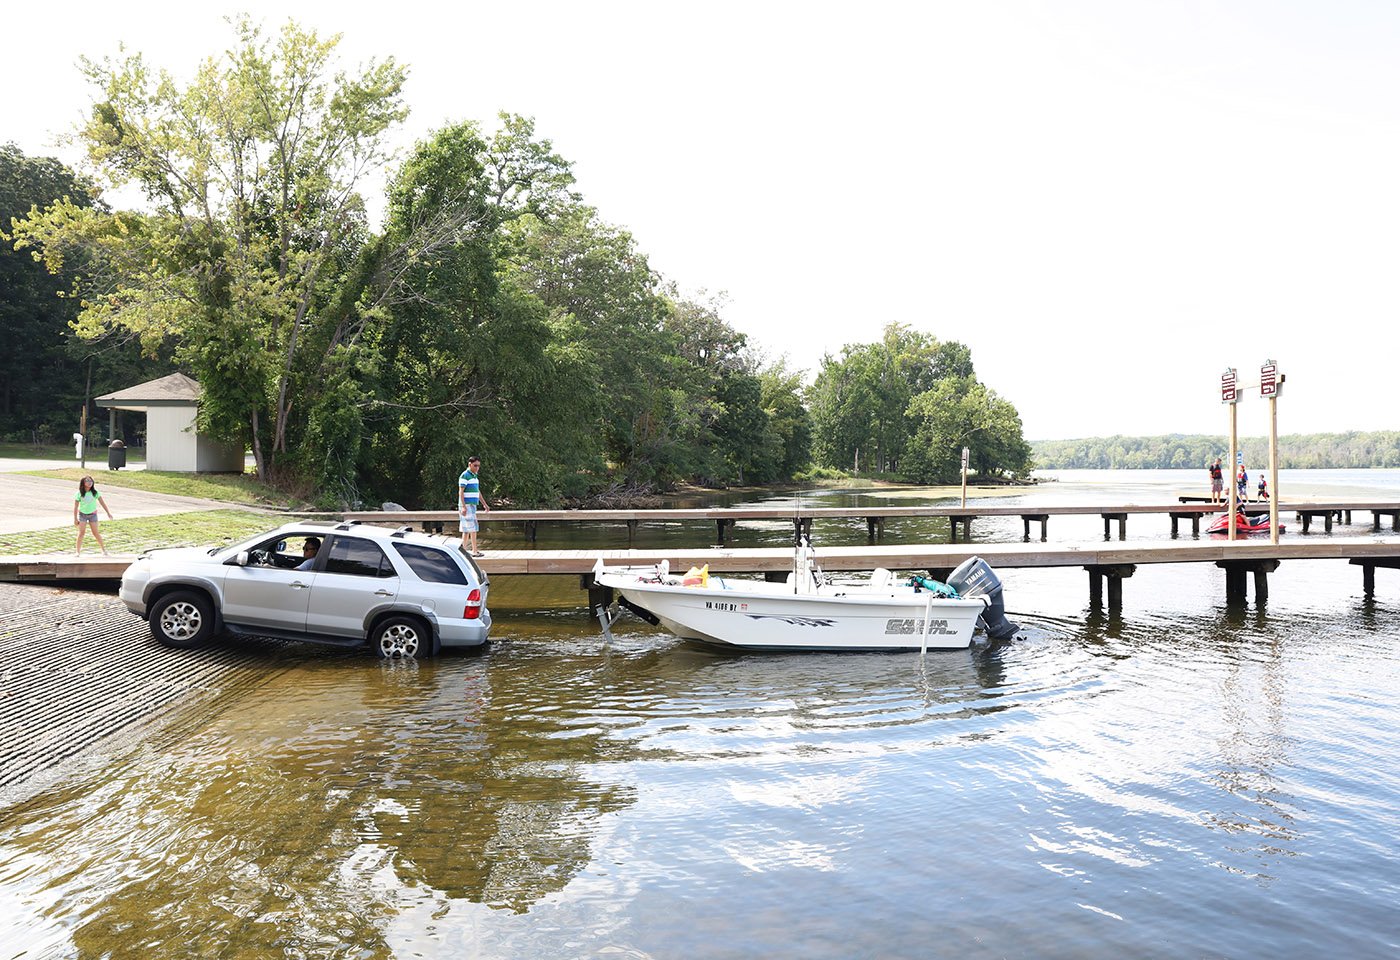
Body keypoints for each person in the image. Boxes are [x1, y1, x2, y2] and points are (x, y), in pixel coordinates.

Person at [73, 475, 114, 555]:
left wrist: (108, 513)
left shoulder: (95, 493)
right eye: (87, 481)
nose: (90, 482)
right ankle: (77, 552)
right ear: (83, 483)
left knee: (95, 533)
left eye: (91, 481)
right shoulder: (79, 493)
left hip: (93, 515)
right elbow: (75, 506)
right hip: (82, 515)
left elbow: (102, 503)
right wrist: (75, 518)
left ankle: (103, 550)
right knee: (81, 533)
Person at [458, 455, 490, 557]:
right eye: (475, 465)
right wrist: (463, 506)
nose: (477, 468)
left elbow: (477, 491)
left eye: (478, 466)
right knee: (473, 528)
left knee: (467, 529)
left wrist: (484, 504)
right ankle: (475, 551)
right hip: (467, 505)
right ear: (470, 464)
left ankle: (462, 551)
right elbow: (461, 492)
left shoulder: (474, 476)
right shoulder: (465, 475)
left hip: (472, 505)